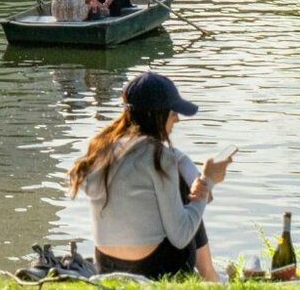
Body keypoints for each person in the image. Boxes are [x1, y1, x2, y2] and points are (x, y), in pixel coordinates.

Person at [70, 71, 234, 280]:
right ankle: (210, 276)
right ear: (158, 115)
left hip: (106, 265)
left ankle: (211, 275)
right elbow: (182, 235)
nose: (177, 119)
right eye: (173, 112)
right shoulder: (159, 158)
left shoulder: (100, 150)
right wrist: (207, 181)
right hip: (154, 266)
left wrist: (187, 167)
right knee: (185, 192)